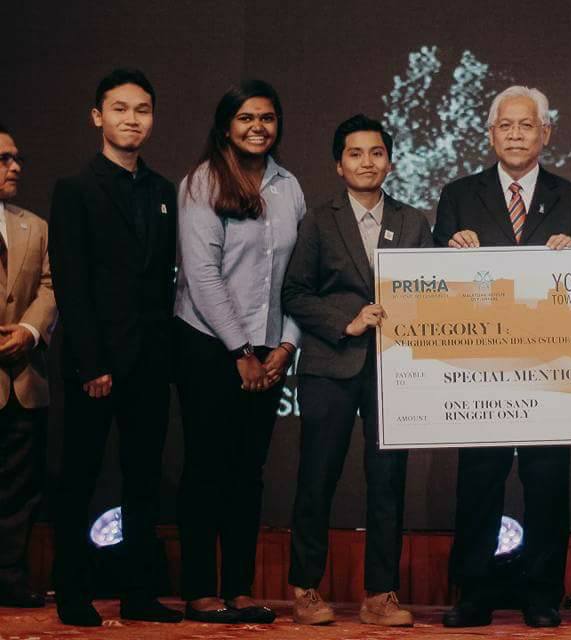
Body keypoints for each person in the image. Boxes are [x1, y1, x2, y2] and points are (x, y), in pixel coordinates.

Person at [434, 85, 571, 629]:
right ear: (490, 134)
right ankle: (473, 594)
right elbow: (432, 284)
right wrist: (450, 254)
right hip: (480, 367)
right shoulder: (458, 197)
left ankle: (543, 595)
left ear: (545, 133)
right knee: (478, 480)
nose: (515, 134)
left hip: (551, 368)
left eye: (526, 125)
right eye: (504, 125)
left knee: (547, 481)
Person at [283, 114, 433, 627]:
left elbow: (433, 290)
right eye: (355, 153)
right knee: (317, 478)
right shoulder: (318, 220)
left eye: (376, 153)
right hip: (330, 364)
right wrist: (345, 323)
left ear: (390, 162)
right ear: (339, 165)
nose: (366, 162)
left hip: (394, 370)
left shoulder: (414, 222)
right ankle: (306, 589)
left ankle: (381, 595)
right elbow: (294, 292)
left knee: (388, 481)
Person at [48, 68, 180, 627]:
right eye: (120, 109)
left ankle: (139, 593)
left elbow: (163, 281)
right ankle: (71, 590)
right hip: (95, 361)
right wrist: (91, 362)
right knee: (79, 476)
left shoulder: (164, 191)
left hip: (150, 359)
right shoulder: (74, 189)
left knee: (143, 478)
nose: (132, 119)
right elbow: (71, 282)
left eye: (142, 109)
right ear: (97, 117)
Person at [175, 80, 302, 624]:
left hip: (269, 349)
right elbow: (202, 276)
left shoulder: (288, 186)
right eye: (246, 117)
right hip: (208, 345)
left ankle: (240, 588)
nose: (258, 127)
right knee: (207, 467)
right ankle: (201, 590)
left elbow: (298, 278)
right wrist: (241, 349)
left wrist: (287, 344)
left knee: (248, 471)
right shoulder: (202, 182)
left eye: (267, 118)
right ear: (226, 126)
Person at [0, 124, 57, 609]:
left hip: (22, 380)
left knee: (18, 489)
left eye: (16, 158)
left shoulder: (34, 226)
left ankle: (9, 578)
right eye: (4, 159)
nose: (15, 167)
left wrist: (29, 330)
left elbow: (51, 285)